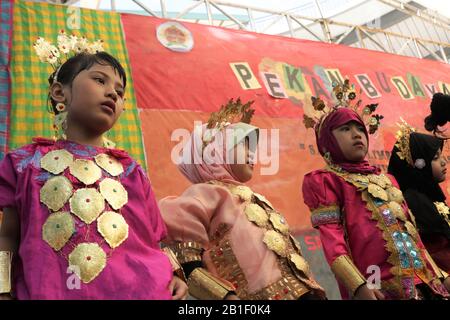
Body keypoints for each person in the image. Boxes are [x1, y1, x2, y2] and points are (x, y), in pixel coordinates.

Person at [0, 31, 187, 299]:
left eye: (120, 92)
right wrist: (3, 289)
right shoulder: (25, 164)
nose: (112, 92)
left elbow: (152, 239)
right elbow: (7, 236)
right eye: (100, 80)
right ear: (58, 91)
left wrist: (175, 272)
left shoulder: (131, 170)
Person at [159, 99, 326, 300]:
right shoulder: (205, 194)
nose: (252, 155)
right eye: (244, 147)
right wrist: (226, 298)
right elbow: (188, 264)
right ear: (215, 149)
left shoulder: (250, 197)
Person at [301, 80, 450, 299]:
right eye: (345, 129)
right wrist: (359, 286)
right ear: (327, 140)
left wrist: (440, 276)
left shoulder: (388, 180)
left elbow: (414, 237)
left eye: (360, 128)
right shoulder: (326, 181)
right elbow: (333, 244)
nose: (356, 134)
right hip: (379, 289)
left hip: (427, 286)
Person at [388, 121, 450, 273]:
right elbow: (435, 251)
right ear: (419, 164)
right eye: (435, 158)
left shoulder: (430, 197)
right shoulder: (414, 201)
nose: (444, 161)